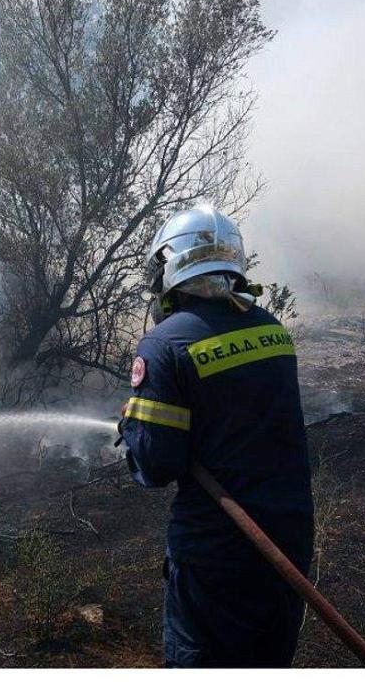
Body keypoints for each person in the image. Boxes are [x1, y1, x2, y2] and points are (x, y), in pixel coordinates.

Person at [117, 205, 314, 668]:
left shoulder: (164, 345)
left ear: (172, 266)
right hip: (287, 537)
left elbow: (158, 465)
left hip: (216, 554)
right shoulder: (271, 329)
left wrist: (133, 427)